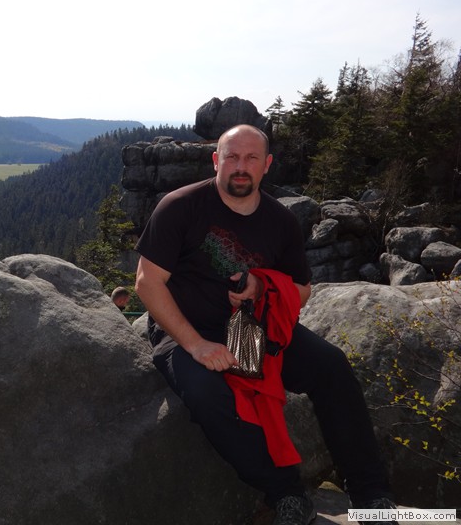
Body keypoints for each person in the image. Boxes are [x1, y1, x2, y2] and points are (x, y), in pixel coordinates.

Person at [134, 125, 397, 525]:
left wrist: (260, 287)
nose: (241, 166)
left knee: (330, 366)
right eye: (232, 157)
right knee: (206, 393)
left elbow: (302, 289)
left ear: (267, 164)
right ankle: (286, 493)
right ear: (216, 160)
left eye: (251, 158)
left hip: (250, 327)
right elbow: (147, 283)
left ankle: (371, 494)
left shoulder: (280, 221)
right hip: (187, 326)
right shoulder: (181, 206)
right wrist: (195, 345)